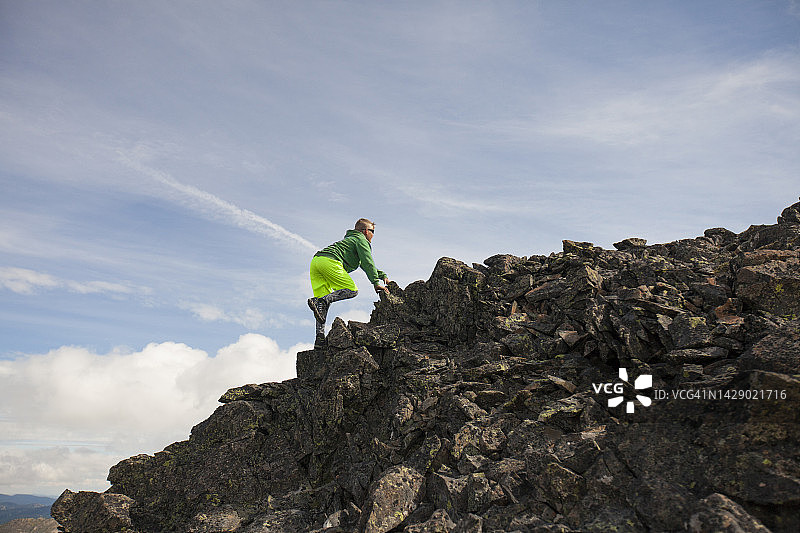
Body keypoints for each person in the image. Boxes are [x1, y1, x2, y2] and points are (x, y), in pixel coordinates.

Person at [308, 218, 389, 348]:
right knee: (351, 290)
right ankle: (320, 302)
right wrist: (375, 282)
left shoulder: (351, 240)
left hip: (316, 262)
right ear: (365, 231)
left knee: (322, 306)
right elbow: (368, 262)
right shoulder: (361, 240)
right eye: (372, 231)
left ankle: (320, 339)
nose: (373, 235)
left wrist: (381, 275)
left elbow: (364, 264)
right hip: (330, 262)